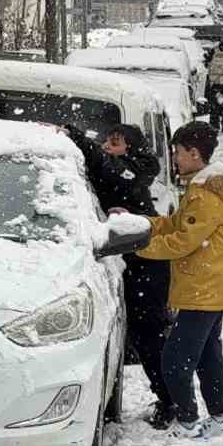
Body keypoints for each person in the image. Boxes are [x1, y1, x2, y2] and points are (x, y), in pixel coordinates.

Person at [131, 122, 223, 439]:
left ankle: (188, 421)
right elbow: (175, 224)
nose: (175, 158)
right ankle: (220, 417)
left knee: (174, 359)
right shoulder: (200, 189)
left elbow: (183, 241)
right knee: (208, 355)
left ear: (194, 154)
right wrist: (144, 224)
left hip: (203, 290)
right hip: (207, 288)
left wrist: (139, 249)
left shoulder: (205, 197)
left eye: (178, 153)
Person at [64, 123, 174, 427]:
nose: (106, 147)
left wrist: (74, 134)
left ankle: (172, 401)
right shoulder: (126, 170)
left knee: (149, 336)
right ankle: (170, 397)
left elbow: (109, 168)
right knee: (138, 336)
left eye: (114, 143)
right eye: (107, 141)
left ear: (130, 149)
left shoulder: (130, 173)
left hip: (147, 265)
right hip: (132, 261)